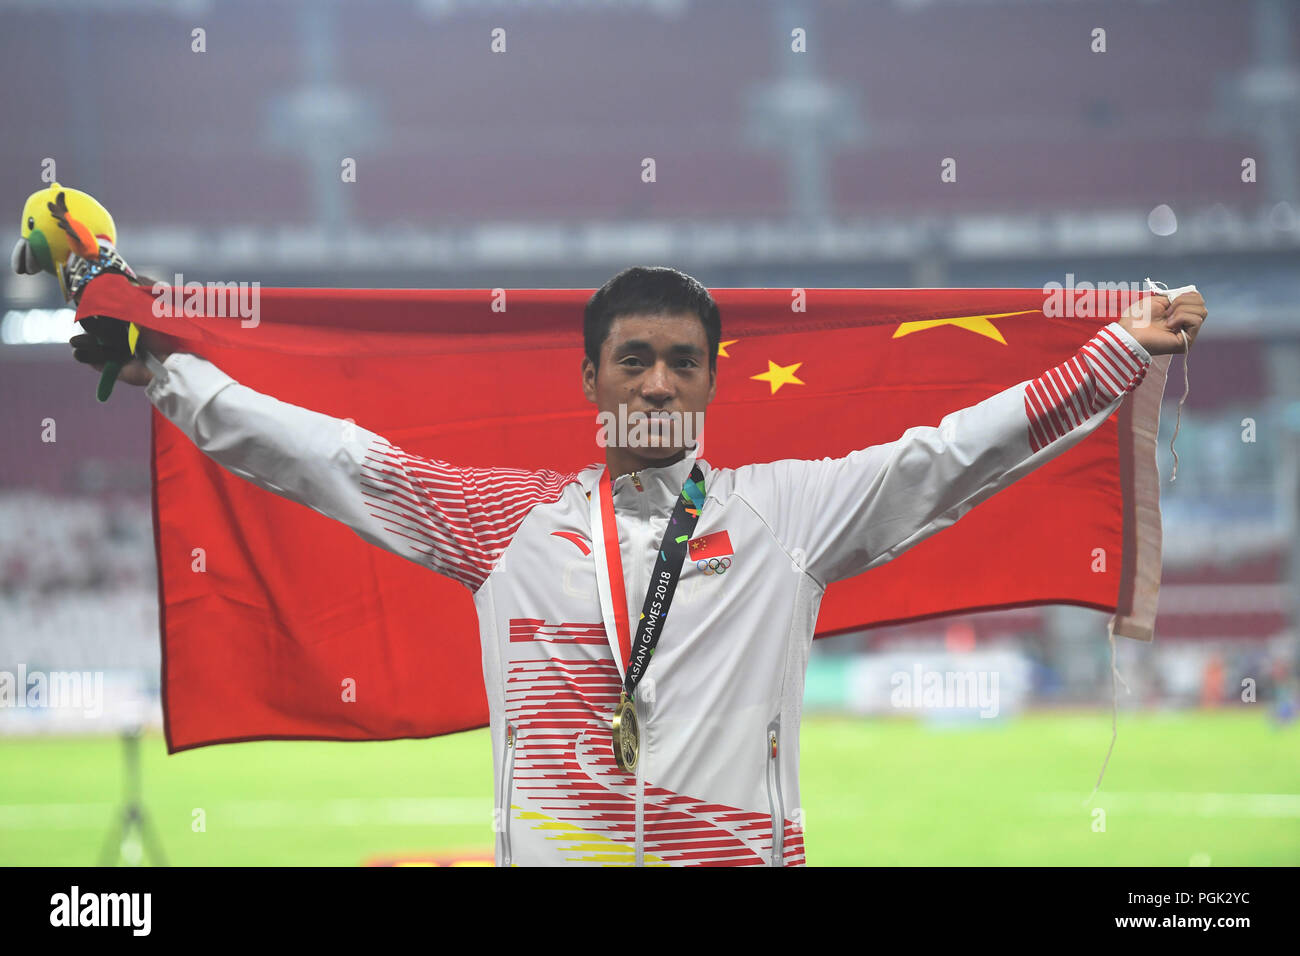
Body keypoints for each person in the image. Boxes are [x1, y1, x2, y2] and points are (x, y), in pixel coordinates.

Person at [70, 266, 1207, 866]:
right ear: (591, 380)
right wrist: (165, 370)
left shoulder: (788, 516)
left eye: (680, 363)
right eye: (633, 362)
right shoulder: (497, 522)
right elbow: (325, 457)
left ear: (712, 382)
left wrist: (1110, 357)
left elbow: (948, 457)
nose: (657, 384)